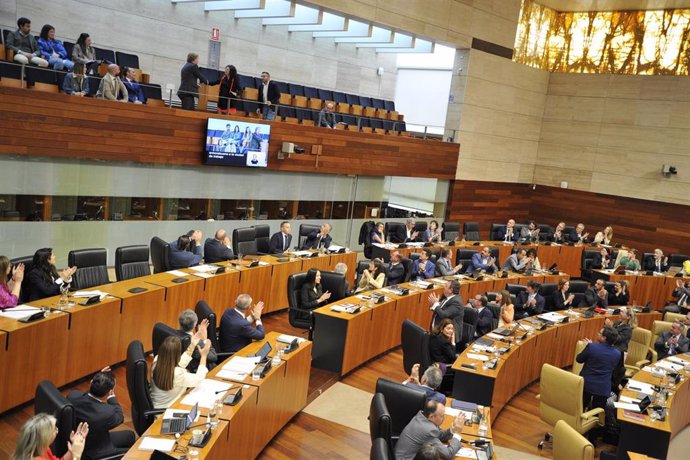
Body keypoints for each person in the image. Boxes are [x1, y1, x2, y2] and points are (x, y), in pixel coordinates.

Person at [67, 369, 136, 458]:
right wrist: (112, 397)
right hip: (96, 451)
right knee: (132, 453)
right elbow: (120, 417)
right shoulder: (107, 413)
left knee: (130, 435)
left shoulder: (73, 396)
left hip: (77, 441)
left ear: (91, 382)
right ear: (109, 392)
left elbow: (85, 396)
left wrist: (99, 379)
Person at [150, 335, 210, 408]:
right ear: (177, 354)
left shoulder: (157, 361)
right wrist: (204, 356)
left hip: (157, 406)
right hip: (167, 411)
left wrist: (192, 345)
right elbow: (199, 379)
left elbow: (180, 363)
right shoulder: (177, 374)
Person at [394, 399, 464, 460]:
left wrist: (453, 429)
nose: (444, 418)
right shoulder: (428, 430)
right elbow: (448, 454)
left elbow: (439, 435)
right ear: (432, 417)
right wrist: (457, 434)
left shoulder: (421, 416)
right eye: (442, 416)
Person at [576, 326, 623, 410]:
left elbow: (579, 359)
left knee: (580, 409)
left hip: (586, 385)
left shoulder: (592, 347)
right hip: (603, 388)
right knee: (596, 413)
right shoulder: (618, 354)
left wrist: (588, 347)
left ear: (604, 338)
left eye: (600, 333)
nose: (598, 334)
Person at [12, 413, 88, 460]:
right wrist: (77, 456)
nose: (57, 430)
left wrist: (73, 448)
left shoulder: (41, 447)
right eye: (54, 429)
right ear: (46, 437)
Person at [428, 280, 463, 345]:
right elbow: (439, 309)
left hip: (448, 336)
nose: (444, 287)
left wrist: (436, 304)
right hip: (438, 332)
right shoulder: (446, 297)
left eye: (446, 286)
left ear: (451, 290)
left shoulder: (456, 302)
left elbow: (444, 315)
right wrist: (433, 305)